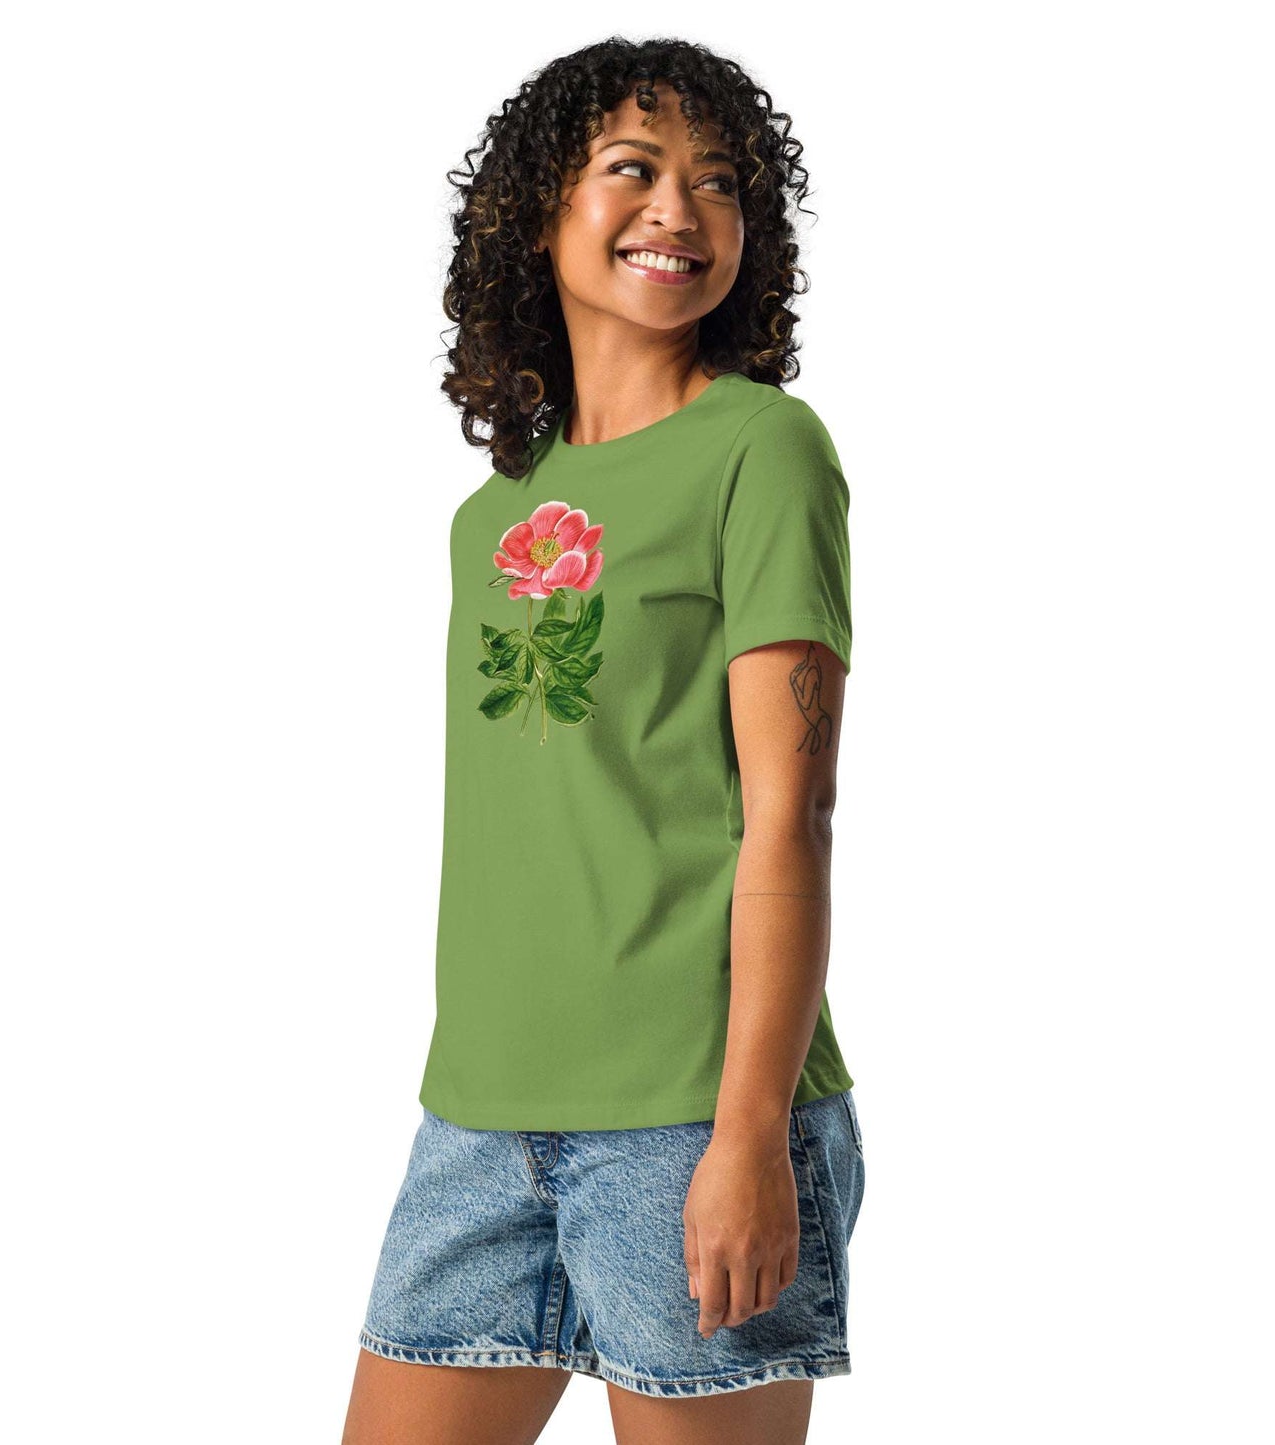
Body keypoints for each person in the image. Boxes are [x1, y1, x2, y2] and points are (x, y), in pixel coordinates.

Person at [342, 36, 865, 1445]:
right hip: (479, 1115)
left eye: (719, 183)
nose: (679, 211)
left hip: (691, 1116)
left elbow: (792, 816)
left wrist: (749, 1134)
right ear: (538, 212)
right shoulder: (495, 512)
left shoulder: (763, 450)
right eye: (633, 169)